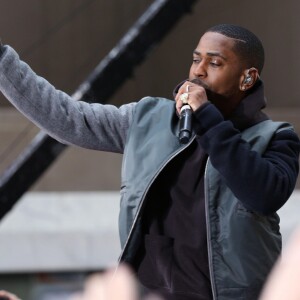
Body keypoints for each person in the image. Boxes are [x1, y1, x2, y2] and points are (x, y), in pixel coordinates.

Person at [0, 23, 299, 300]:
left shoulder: (274, 138)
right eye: (196, 60)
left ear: (247, 78)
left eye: (215, 63)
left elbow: (263, 193)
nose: (199, 72)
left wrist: (207, 118)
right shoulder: (148, 119)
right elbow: (69, 119)